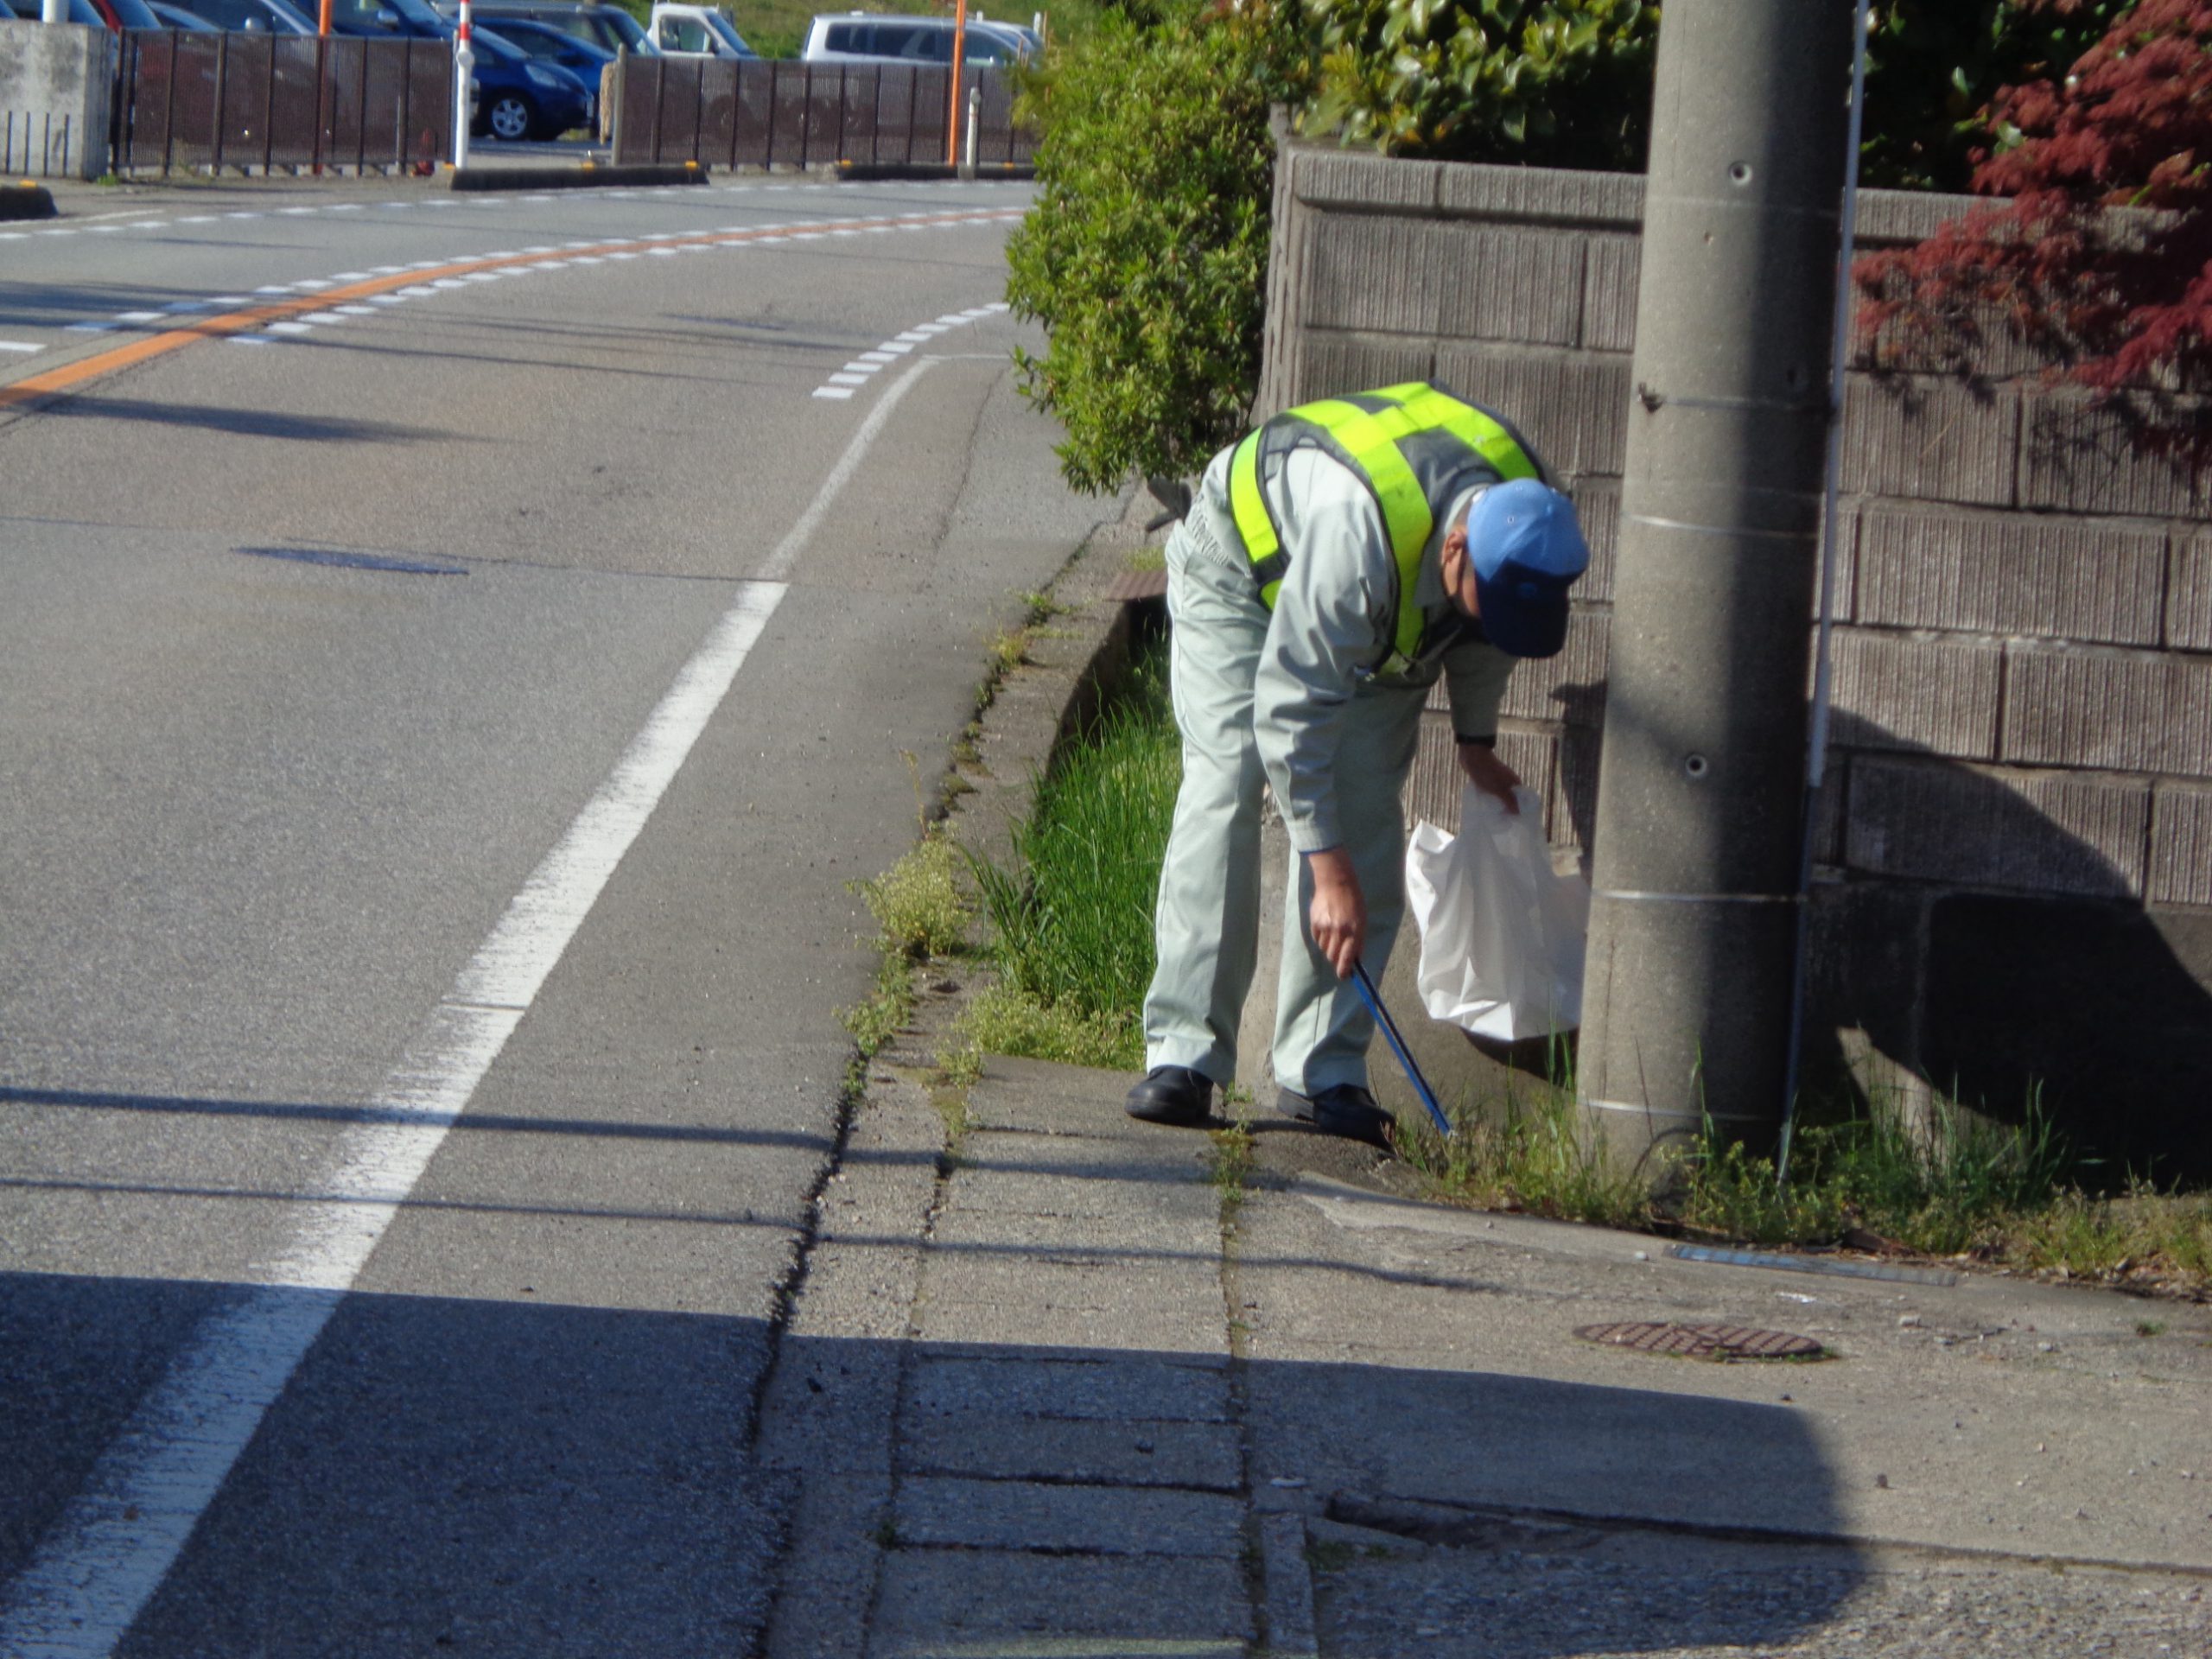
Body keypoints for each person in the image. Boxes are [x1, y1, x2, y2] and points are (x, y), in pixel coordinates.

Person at [1125, 381, 1590, 1146]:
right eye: (1485, 597)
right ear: (1455, 548)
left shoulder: (1526, 515)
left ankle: (1322, 1070)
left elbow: (1486, 631)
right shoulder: (1358, 532)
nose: (1493, 619)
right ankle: (1186, 1055)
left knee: (1368, 814)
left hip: (1382, 621)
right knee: (1229, 785)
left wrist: (1476, 744)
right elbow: (1288, 710)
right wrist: (1323, 869)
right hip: (1239, 571)